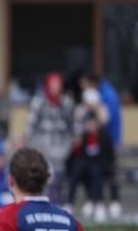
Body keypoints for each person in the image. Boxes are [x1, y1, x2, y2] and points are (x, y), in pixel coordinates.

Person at [25, 72, 74, 202]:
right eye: (53, 85)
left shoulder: (66, 103)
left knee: (58, 180)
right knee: (43, 178)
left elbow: (72, 127)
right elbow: (30, 127)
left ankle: (58, 204)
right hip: (41, 149)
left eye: (58, 85)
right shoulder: (38, 102)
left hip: (60, 150)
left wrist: (68, 145)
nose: (55, 88)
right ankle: (43, 205)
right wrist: (32, 147)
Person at [80, 72, 122, 219]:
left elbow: (108, 120)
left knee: (110, 171)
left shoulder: (106, 95)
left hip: (108, 141)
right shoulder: (101, 93)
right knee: (91, 170)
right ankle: (93, 201)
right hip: (99, 144)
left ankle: (112, 202)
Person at [66, 111, 114, 222]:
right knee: (76, 170)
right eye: (88, 123)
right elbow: (73, 159)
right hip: (84, 167)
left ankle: (99, 204)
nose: (90, 126)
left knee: (96, 170)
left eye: (92, 123)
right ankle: (69, 203)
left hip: (101, 167)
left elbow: (109, 157)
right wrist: (76, 146)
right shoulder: (82, 137)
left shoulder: (105, 136)